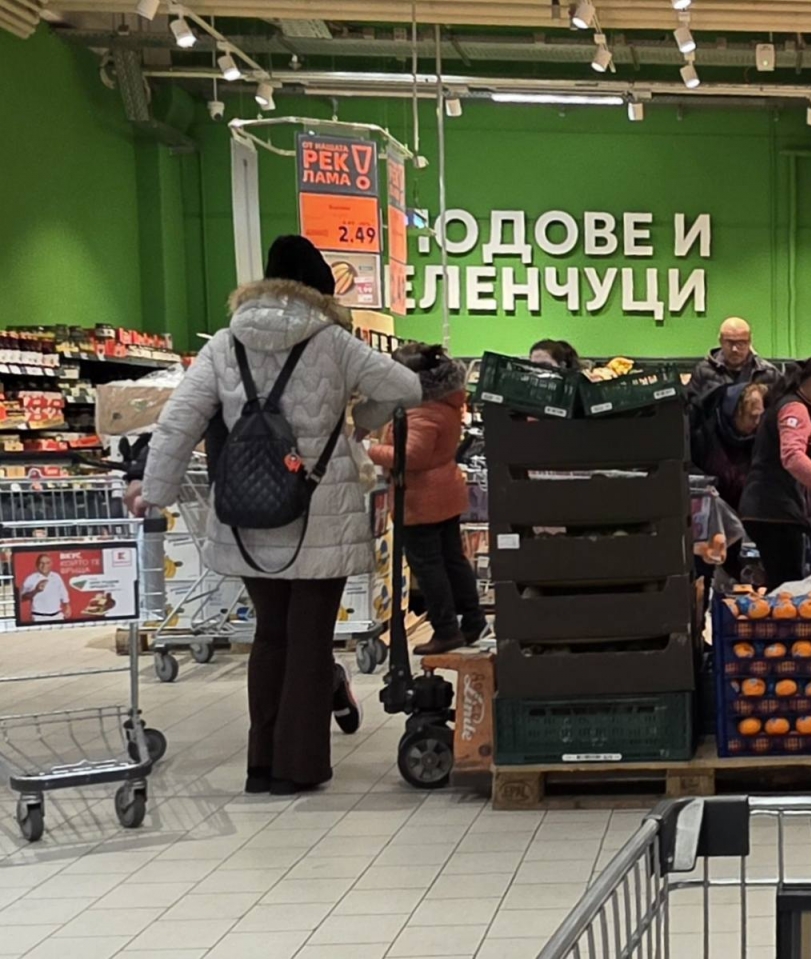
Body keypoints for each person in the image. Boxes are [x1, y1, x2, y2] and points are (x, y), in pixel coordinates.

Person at [134, 235, 422, 796]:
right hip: (319, 509)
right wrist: (362, 419)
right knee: (309, 639)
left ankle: (261, 764)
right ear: (321, 290)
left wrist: (156, 490)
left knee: (270, 636)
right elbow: (406, 386)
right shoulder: (334, 341)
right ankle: (299, 766)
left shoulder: (225, 343)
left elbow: (179, 420)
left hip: (248, 511)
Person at [367, 342, 485, 657]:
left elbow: (411, 456)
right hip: (445, 490)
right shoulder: (445, 401)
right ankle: (472, 620)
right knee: (453, 560)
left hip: (422, 498)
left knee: (429, 566)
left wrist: (371, 451)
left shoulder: (420, 410)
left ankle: (446, 630)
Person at [739, 355, 811, 589]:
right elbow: (792, 455)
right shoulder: (795, 409)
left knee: (781, 585)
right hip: (775, 511)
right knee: (787, 589)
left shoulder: (784, 401)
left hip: (764, 509)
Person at [691, 381, 768, 513]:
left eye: (760, 416)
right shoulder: (704, 437)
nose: (757, 422)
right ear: (736, 413)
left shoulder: (758, 440)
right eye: (752, 416)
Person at [687, 317, 779, 401]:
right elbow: (691, 408)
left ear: (749, 342)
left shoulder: (768, 373)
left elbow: (778, 408)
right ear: (720, 341)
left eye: (741, 343)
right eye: (729, 343)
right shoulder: (703, 371)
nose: (734, 349)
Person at [20, 554, 70, 622]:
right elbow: (22, 598)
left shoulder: (56, 577)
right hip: (39, 617)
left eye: (47, 563)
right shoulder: (31, 579)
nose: (44, 566)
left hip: (57, 616)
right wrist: (36, 591)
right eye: (42, 563)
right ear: (37, 564)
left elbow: (63, 593)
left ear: (51, 564)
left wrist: (67, 606)